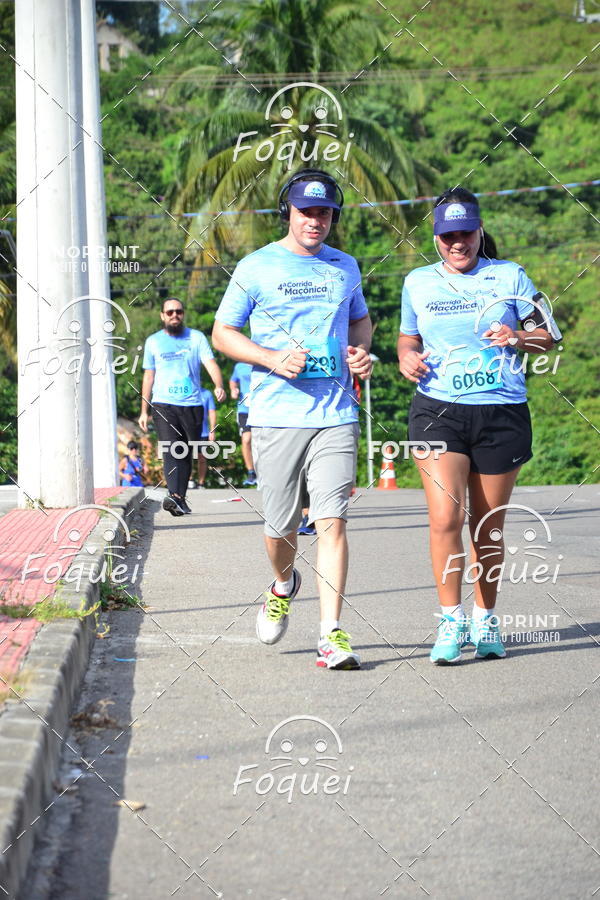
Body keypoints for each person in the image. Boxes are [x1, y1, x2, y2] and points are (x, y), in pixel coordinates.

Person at [212, 168, 372, 670]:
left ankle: (331, 633)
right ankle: (283, 584)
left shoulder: (345, 267)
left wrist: (362, 352)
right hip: (276, 413)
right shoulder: (256, 267)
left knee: (332, 523)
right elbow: (222, 332)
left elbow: (361, 320)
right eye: (306, 211)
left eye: (324, 212)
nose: (315, 221)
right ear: (288, 212)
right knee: (279, 528)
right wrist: (270, 357)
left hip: (335, 412)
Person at [398, 187, 561, 665]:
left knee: (487, 527)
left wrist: (516, 336)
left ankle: (485, 618)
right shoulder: (418, 282)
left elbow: (548, 336)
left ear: (478, 231)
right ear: (435, 237)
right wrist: (407, 357)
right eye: (448, 235)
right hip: (438, 410)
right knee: (446, 517)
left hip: (500, 412)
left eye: (465, 233)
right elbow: (408, 337)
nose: (457, 243)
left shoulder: (509, 276)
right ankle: (451, 620)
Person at [138, 297, 226, 516]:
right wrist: (144, 409)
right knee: (171, 449)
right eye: (169, 312)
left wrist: (219, 385)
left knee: (186, 451)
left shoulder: (196, 338)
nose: (174, 315)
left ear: (183, 314)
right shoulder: (153, 342)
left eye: (178, 311)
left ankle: (179, 498)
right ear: (162, 316)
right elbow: (149, 376)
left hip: (192, 404)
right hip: (163, 404)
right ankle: (174, 496)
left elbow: (210, 362)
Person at [229, 361, 256, 486]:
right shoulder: (239, 366)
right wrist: (233, 389)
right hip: (244, 409)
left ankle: (264, 471)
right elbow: (233, 380)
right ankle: (251, 472)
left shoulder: (263, 361)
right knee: (246, 439)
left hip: (262, 409)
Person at [195, 387, 217, 488]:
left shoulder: (207, 394)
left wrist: (212, 430)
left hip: (203, 432)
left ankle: (201, 482)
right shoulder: (186, 392)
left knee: (202, 458)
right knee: (185, 456)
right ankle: (188, 480)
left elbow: (211, 412)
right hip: (187, 431)